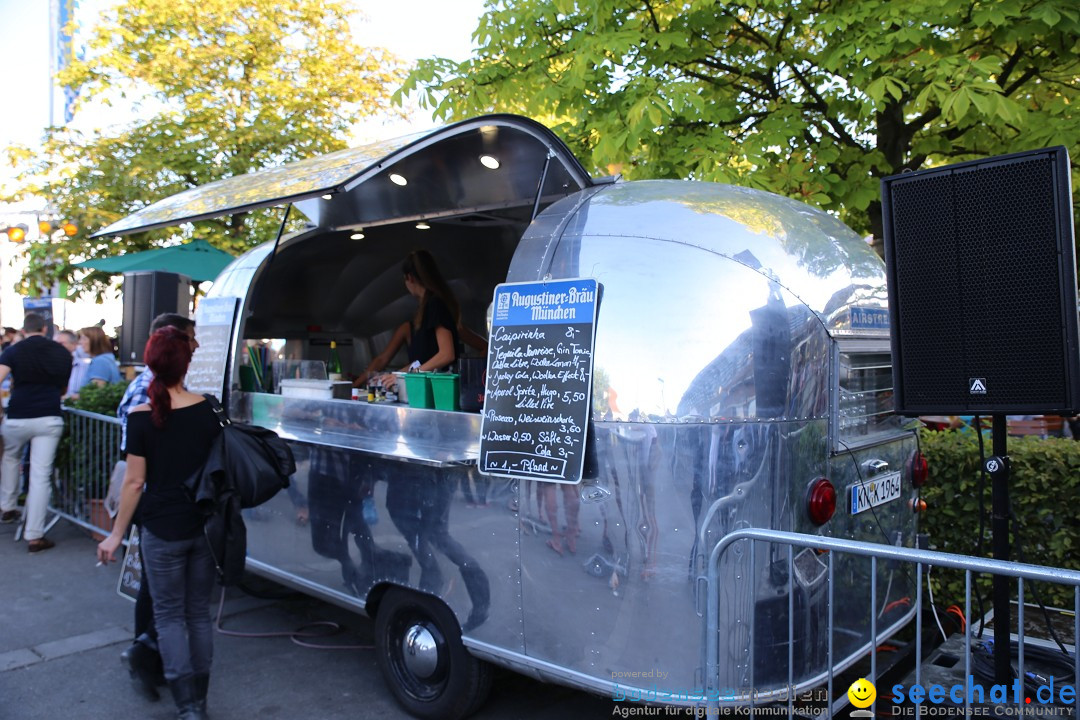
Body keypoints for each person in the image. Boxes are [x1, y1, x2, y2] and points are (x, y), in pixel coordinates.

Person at [98, 326, 220, 720]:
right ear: (186, 364)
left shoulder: (140, 418)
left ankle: (187, 708)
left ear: (151, 363)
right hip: (203, 525)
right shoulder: (208, 409)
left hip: (160, 529)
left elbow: (134, 482)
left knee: (168, 616)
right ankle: (198, 702)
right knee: (198, 614)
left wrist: (115, 536)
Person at [115, 313, 198, 701]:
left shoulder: (171, 395)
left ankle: (151, 654)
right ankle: (146, 655)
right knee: (158, 593)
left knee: (160, 592)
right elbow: (135, 469)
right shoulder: (146, 396)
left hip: (157, 508)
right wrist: (119, 529)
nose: (196, 347)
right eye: (190, 340)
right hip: (155, 509)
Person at [0, 313, 73, 550]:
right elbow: (64, 387)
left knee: (10, 457)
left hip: (18, 415)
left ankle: (8, 505)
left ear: (25, 328)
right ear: (44, 328)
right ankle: (34, 535)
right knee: (41, 475)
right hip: (49, 416)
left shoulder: (13, 351)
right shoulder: (61, 352)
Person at [355, 249, 462, 387]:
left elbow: (447, 354)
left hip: (439, 392)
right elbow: (423, 361)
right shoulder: (426, 311)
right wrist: (396, 376)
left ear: (409, 278)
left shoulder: (436, 305)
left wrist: (405, 377)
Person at [76, 326, 121, 390]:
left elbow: (95, 394)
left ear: (94, 341)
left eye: (84, 339)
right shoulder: (105, 359)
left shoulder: (100, 362)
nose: (80, 342)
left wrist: (71, 397)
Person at [55, 329, 90, 398]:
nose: (56, 347)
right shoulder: (47, 367)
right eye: (54, 343)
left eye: (61, 344)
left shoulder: (86, 367)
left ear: (74, 345)